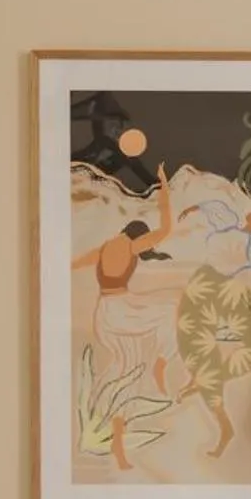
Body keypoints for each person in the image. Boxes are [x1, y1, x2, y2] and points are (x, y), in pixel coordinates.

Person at [74, 166, 177, 391]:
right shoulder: (131, 245)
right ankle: (161, 363)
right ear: (138, 235)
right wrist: (164, 187)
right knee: (172, 311)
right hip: (122, 310)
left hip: (104, 314)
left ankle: (109, 406)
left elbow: (73, 264)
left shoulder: (103, 248)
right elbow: (167, 228)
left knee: (123, 365)